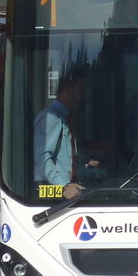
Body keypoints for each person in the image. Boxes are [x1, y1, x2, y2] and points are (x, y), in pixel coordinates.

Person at [33, 67, 98, 199]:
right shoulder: (50, 117)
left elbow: (66, 158)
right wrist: (63, 187)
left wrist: (85, 163)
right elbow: (42, 159)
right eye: (80, 91)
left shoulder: (67, 119)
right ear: (67, 89)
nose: (83, 97)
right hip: (58, 196)